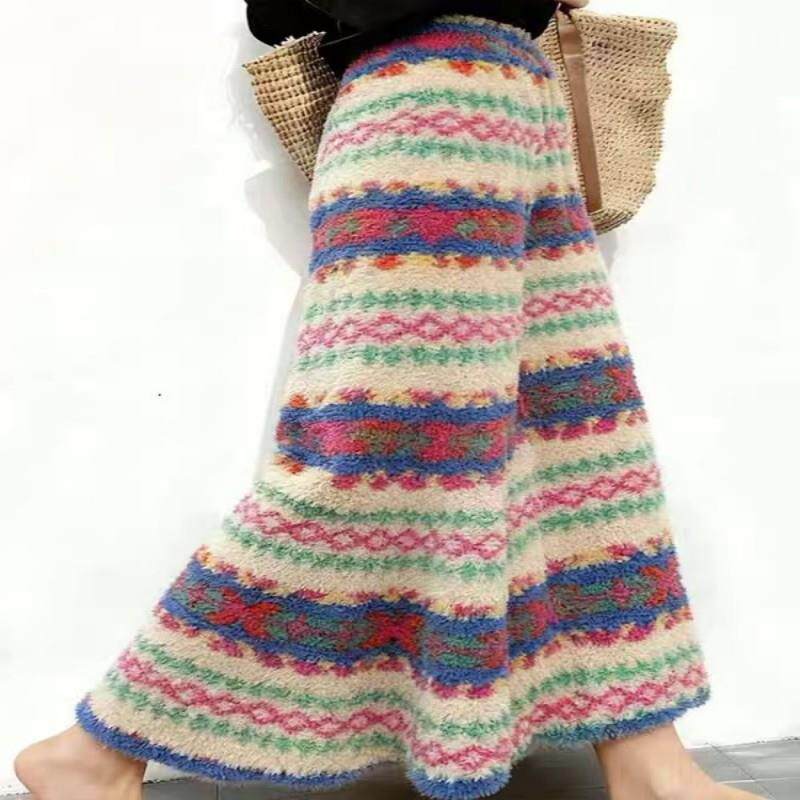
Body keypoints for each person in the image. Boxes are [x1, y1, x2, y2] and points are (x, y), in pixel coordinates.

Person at [14, 2, 761, 799]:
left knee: (577, 438)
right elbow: (273, 9)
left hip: (520, 103)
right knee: (385, 456)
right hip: (425, 112)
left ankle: (647, 761)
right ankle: (95, 752)